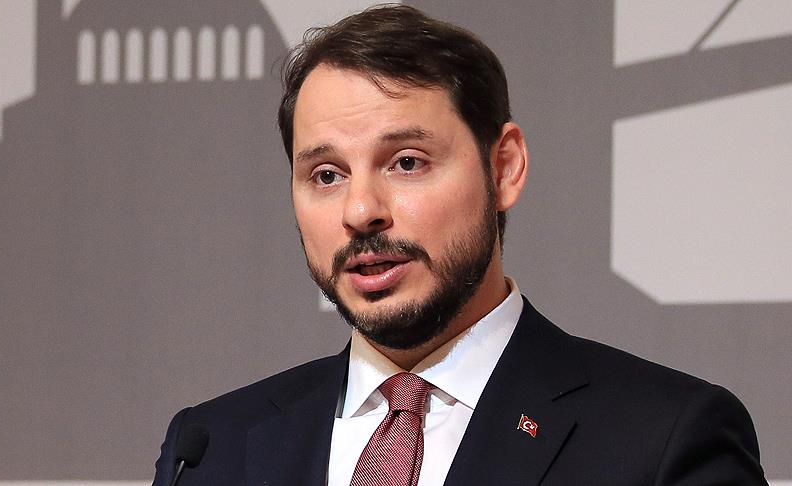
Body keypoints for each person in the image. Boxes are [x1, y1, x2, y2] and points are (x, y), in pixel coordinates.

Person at [153, 5, 767, 485]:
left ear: (504, 168)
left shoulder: (662, 439)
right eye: (327, 175)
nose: (361, 211)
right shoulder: (210, 449)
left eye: (407, 162)